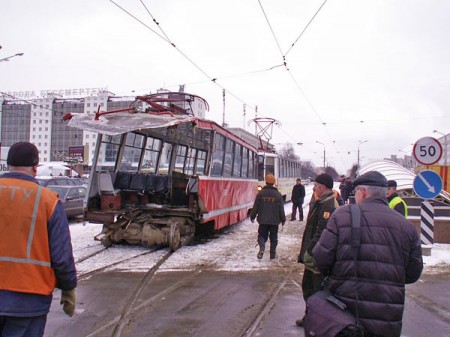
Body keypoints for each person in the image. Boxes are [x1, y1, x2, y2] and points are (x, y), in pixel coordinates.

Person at [312, 171, 423, 337]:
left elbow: (320, 259)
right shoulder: (407, 227)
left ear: (362, 192)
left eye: (356, 192)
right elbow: (413, 273)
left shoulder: (343, 216)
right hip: (388, 317)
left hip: (344, 313)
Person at [0, 142, 77, 337]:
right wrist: (68, 288)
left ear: (8, 165)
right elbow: (61, 255)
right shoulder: (47, 200)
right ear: (35, 166)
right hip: (28, 300)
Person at [296, 173, 339, 327]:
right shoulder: (320, 202)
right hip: (313, 255)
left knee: (317, 291)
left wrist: (310, 251)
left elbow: (322, 232)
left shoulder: (329, 205)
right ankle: (310, 317)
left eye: (316, 185)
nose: (313, 188)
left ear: (323, 187)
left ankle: (318, 321)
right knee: (307, 288)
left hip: (318, 257)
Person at [250, 174, 286, 260]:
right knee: (273, 238)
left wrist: (252, 216)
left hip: (263, 220)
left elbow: (256, 206)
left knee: (262, 235)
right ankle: (272, 255)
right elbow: (281, 209)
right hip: (274, 221)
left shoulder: (261, 193)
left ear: (266, 182)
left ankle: (262, 248)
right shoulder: (278, 194)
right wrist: (283, 219)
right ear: (274, 183)